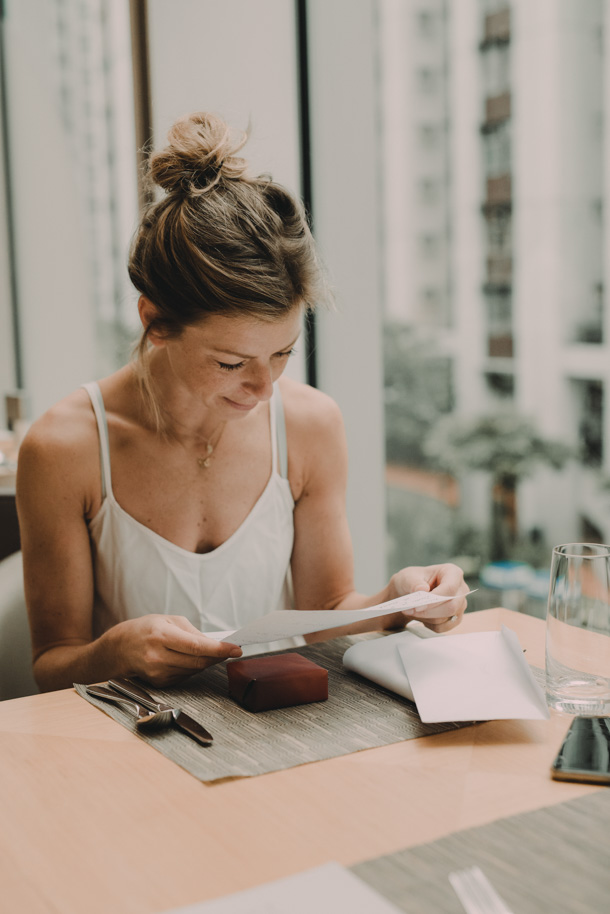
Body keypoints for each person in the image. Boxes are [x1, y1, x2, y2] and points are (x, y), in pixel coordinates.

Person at [17, 111, 468, 692]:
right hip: (133, 745)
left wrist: (397, 601)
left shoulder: (310, 426)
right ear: (155, 321)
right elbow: (52, 663)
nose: (264, 388)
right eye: (231, 363)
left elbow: (327, 608)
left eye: (283, 353)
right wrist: (116, 651)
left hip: (284, 724)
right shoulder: (63, 449)